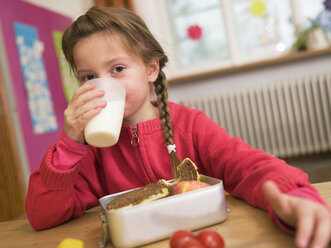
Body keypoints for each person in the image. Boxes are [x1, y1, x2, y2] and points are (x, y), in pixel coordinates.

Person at [25, 6, 331, 248]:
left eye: (117, 69)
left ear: (151, 68)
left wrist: (296, 197)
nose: (103, 86)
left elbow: (249, 166)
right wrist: (70, 144)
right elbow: (42, 216)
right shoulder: (91, 150)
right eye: (89, 77)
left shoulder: (190, 125)